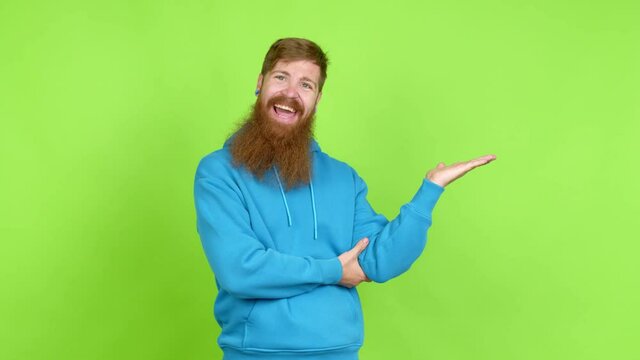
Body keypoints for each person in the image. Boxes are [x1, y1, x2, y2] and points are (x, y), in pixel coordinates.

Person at [193, 37, 496, 360]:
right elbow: (240, 269)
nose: (291, 94)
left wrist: (429, 193)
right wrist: (333, 270)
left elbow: (378, 260)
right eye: (281, 77)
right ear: (260, 83)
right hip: (256, 353)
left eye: (306, 85)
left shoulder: (343, 178)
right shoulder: (218, 172)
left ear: (317, 99)